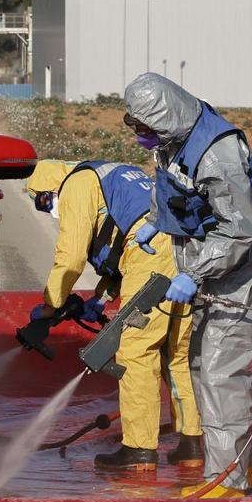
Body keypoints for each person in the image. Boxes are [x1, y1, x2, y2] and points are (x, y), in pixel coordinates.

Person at [123, 73, 252, 499]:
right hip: (209, 263)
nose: (139, 136)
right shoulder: (174, 141)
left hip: (241, 266)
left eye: (143, 128)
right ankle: (229, 469)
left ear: (165, 117)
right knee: (198, 364)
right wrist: (157, 222)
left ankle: (229, 482)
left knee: (220, 368)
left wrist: (193, 274)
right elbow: (171, 186)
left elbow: (238, 233)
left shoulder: (217, 156)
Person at [25, 159, 204, 471]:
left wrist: (50, 306)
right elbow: (121, 240)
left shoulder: (76, 183)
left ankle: (139, 450)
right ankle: (192, 443)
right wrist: (100, 298)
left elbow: (70, 256)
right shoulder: (112, 174)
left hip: (149, 255)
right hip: (181, 250)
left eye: (43, 201)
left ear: (51, 187)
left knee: (135, 351)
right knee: (173, 354)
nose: (47, 209)